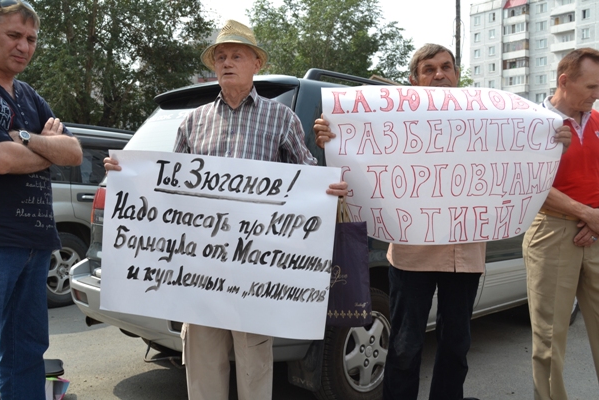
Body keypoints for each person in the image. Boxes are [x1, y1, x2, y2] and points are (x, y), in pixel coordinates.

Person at [103, 20, 347, 400]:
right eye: (221, 56)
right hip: (199, 267)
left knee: (254, 362)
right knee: (202, 362)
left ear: (256, 64)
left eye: (236, 55)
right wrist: (127, 176)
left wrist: (328, 188)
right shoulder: (193, 121)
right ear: (214, 65)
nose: (227, 62)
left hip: (255, 266)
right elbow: (169, 187)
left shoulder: (281, 118)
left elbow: (307, 176)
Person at [314, 43, 571, 400]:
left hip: (465, 256)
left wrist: (554, 141)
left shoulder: (485, 117)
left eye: (446, 67)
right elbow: (356, 155)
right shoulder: (391, 120)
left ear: (456, 73)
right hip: (411, 255)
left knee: (456, 345)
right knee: (404, 346)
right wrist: (333, 137)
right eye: (429, 69)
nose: (439, 74)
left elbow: (521, 151)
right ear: (414, 81)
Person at [0, 2, 83, 399]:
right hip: (0, 244)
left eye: (31, 39)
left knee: (27, 351)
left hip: (36, 242)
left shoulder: (30, 96)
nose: (24, 46)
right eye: (13, 35)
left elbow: (75, 152)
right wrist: (48, 147)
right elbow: (1, 158)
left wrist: (28, 138)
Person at [523, 47, 599, 400]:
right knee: (550, 340)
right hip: (552, 232)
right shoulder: (532, 123)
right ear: (564, 81)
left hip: (597, 231)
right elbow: (530, 185)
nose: (596, 95)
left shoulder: (597, 122)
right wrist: (588, 215)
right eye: (591, 86)